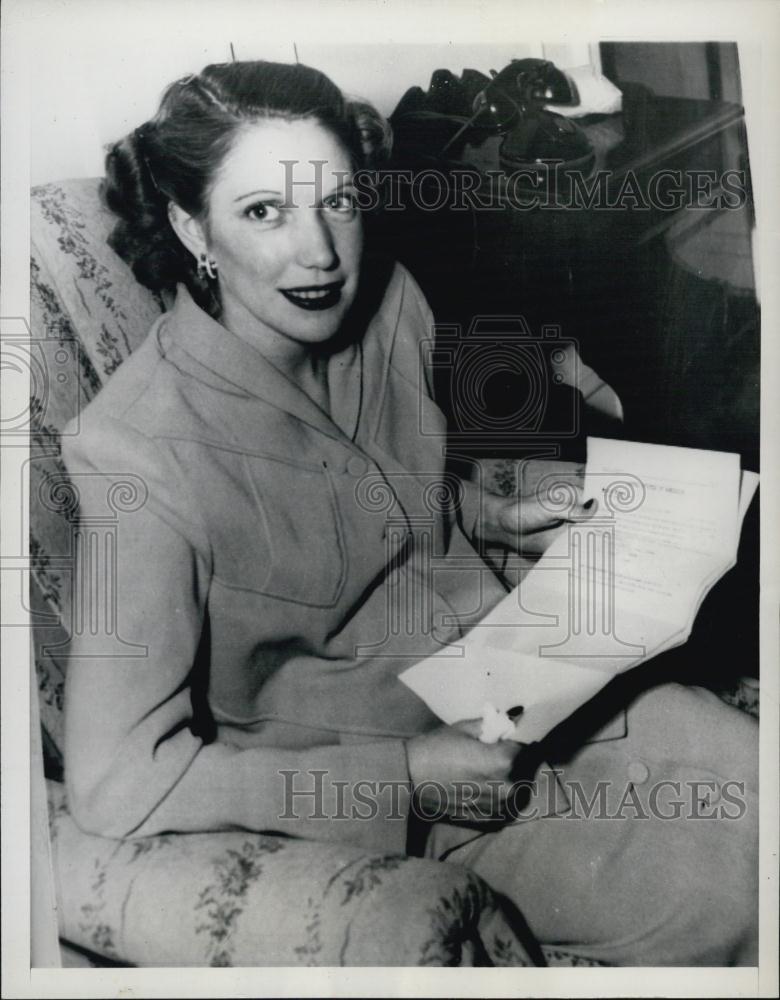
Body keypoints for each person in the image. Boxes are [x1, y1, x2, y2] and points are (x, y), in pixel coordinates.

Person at [61, 60, 758, 966]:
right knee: (737, 892)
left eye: (338, 202)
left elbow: (357, 499)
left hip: (523, 682)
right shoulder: (138, 458)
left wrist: (491, 514)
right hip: (404, 797)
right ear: (194, 228)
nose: (318, 253)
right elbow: (116, 785)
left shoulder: (391, 306)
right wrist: (401, 779)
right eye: (263, 212)